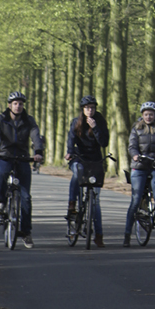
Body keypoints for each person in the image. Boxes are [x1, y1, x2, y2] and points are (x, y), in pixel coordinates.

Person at [0, 90, 44, 249]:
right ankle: (1, 201)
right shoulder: (1, 119)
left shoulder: (29, 121)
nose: (18, 106)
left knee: (26, 197)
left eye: (20, 104)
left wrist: (38, 152)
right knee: (3, 174)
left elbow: (35, 136)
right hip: (4, 155)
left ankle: (26, 233)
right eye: (15, 103)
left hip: (22, 157)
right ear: (9, 105)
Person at [123, 101, 155, 247]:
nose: (149, 117)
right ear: (142, 115)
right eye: (146, 114)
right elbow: (132, 145)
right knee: (136, 199)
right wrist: (135, 155)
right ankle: (127, 234)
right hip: (139, 167)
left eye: (151, 114)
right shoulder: (136, 129)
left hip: (154, 166)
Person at [65, 95, 110, 247]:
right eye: (87, 108)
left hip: (96, 161)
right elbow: (71, 139)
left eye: (92, 108)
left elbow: (104, 143)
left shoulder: (100, 122)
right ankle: (72, 203)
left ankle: (98, 235)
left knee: (95, 201)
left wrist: (96, 128)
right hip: (79, 158)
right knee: (77, 171)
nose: (90, 110)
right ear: (82, 110)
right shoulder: (76, 122)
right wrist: (70, 152)